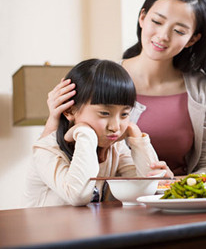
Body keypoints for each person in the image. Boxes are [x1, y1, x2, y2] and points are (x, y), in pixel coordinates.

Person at [41, 0, 206, 176]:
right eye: (157, 22)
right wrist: (53, 118)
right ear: (142, 17)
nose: (163, 36)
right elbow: (54, 158)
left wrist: (176, 185)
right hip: (107, 201)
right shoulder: (98, 80)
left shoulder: (203, 90)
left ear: (192, 39)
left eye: (179, 31)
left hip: (180, 201)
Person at [23, 59, 171, 207]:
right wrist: (85, 133)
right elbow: (78, 196)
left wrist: (136, 136)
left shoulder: (115, 148)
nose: (115, 127)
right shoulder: (46, 150)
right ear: (70, 110)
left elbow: (147, 189)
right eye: (105, 113)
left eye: (125, 114)